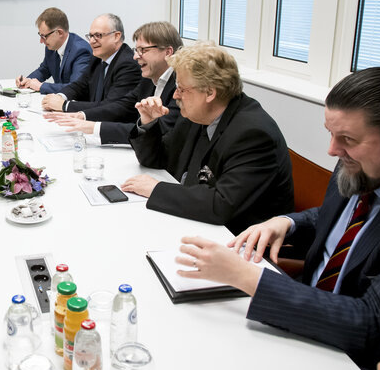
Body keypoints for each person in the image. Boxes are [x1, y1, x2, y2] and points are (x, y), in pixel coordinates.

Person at [175, 67, 380, 370]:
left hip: (351, 360)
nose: (332, 150)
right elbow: (338, 218)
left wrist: (247, 277)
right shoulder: (356, 163)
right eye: (330, 133)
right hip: (300, 318)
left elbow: (373, 324)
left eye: (348, 139)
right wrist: (287, 223)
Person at [122, 43, 293, 234]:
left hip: (235, 240)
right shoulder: (199, 114)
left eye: (182, 89)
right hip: (197, 223)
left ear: (210, 92)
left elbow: (221, 205)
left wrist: (156, 189)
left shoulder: (253, 134)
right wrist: (148, 123)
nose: (175, 95)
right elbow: (159, 159)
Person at [45, 21, 182, 145]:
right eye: (136, 50)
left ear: (168, 52)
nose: (135, 56)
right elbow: (123, 105)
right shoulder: (149, 78)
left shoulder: (180, 86)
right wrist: (81, 115)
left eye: (143, 50)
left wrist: (93, 127)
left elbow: (163, 129)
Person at [41, 13, 142, 113]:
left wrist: (65, 105)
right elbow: (79, 85)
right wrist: (59, 97)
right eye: (90, 36)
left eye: (98, 35)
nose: (92, 41)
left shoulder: (128, 64)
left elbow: (110, 107)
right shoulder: (97, 58)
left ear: (116, 36)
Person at [15, 7, 93, 94]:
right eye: (40, 36)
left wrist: (41, 86)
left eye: (44, 36)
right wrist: (27, 81)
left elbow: (75, 88)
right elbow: (44, 70)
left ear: (60, 33)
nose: (41, 41)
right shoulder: (51, 47)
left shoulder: (81, 51)